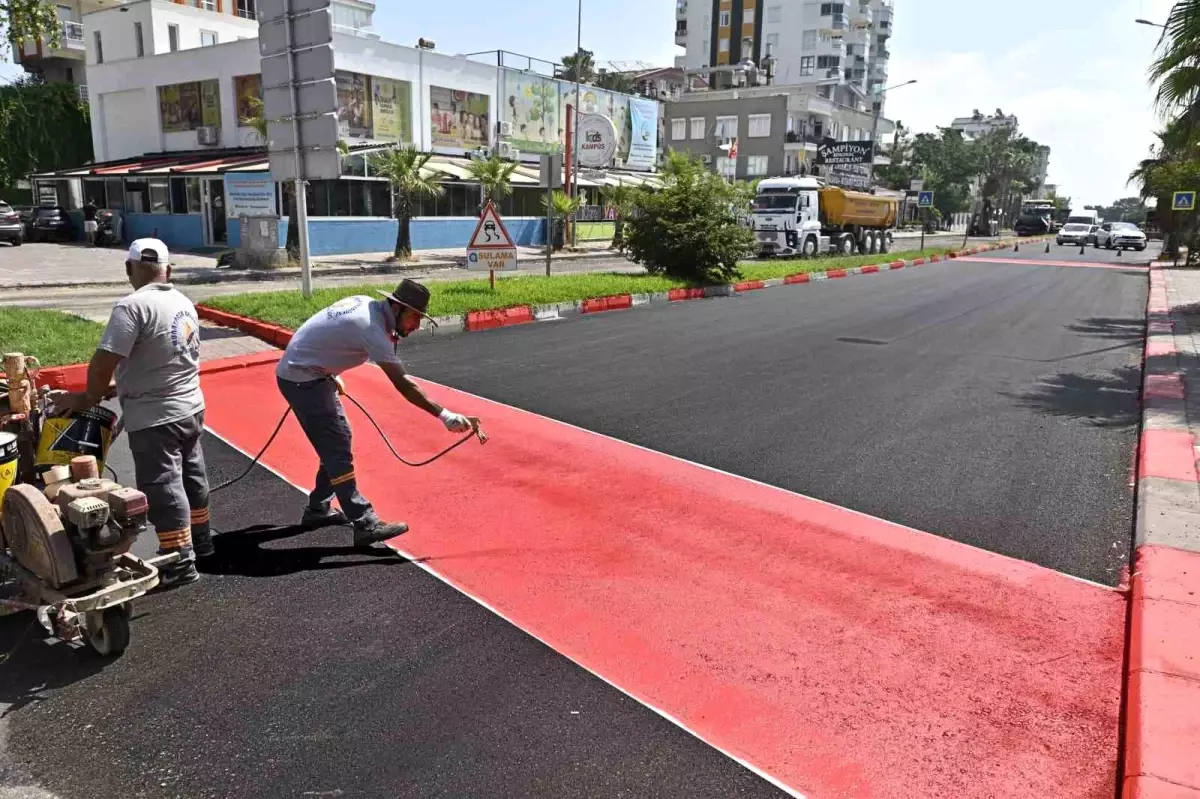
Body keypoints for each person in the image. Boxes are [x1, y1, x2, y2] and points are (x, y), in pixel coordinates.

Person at [52, 238, 210, 587]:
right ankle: (201, 539)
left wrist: (87, 397)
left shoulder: (132, 306)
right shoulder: (182, 302)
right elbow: (163, 354)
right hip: (191, 407)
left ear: (129, 268)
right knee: (192, 475)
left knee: (163, 484)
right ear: (168, 269)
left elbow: (104, 359)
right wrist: (120, 386)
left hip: (157, 416)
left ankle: (179, 561)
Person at [275, 279, 475, 547]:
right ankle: (365, 523)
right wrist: (444, 415)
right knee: (337, 449)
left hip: (309, 373)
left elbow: (323, 332)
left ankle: (317, 510)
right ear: (396, 308)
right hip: (303, 379)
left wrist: (327, 371)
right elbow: (403, 383)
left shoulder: (367, 305)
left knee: (339, 441)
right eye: (414, 317)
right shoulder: (371, 328)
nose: (416, 326)